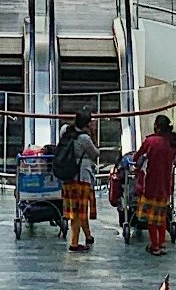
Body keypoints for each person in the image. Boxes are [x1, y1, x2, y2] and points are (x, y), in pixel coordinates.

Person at [133, 114, 176, 256]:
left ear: (157, 127)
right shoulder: (172, 143)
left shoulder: (151, 141)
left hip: (150, 185)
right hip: (165, 185)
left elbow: (136, 157)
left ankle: (155, 245)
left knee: (151, 218)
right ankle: (161, 243)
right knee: (161, 216)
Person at [58, 108, 101, 252]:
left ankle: (88, 236)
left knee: (75, 210)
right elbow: (96, 153)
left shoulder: (66, 132)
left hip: (68, 176)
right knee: (79, 212)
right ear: (87, 124)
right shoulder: (84, 139)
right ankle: (74, 243)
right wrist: (93, 134)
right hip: (82, 178)